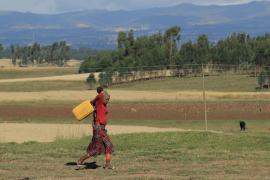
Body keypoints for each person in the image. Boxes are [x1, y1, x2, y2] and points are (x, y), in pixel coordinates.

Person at [76, 86, 114, 170]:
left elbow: (107, 96)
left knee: (108, 145)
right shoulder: (99, 100)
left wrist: (105, 96)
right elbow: (102, 95)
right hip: (98, 128)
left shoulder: (101, 103)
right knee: (95, 149)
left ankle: (107, 164)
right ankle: (80, 161)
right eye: (106, 98)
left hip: (102, 129)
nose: (108, 99)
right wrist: (102, 93)